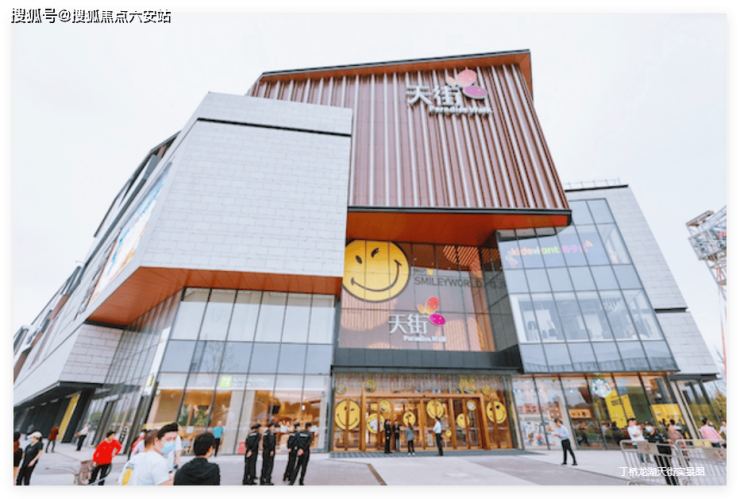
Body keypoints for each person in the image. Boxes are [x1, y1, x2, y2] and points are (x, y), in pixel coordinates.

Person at [289, 422, 313, 487]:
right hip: (305, 452)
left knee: (297, 466)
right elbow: (308, 443)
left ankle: (292, 481)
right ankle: (301, 481)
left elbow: (297, 441)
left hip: (299, 451)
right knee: (304, 467)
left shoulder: (300, 433)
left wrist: (300, 449)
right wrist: (303, 449)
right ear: (309, 427)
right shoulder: (309, 434)